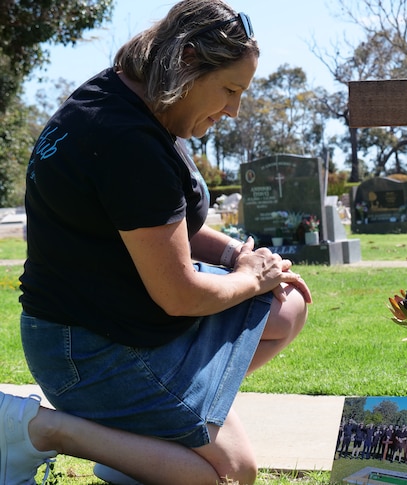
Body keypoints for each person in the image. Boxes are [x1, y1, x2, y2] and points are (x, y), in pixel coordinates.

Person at [1, 1, 312, 484]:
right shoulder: (128, 141)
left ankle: (139, 445)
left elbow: (159, 226)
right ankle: (48, 430)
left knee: (286, 304)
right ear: (187, 61)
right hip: (85, 351)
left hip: (125, 318)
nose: (234, 110)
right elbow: (180, 294)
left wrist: (236, 256)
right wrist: (250, 279)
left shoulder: (132, 97)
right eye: (230, 90)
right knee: (229, 477)